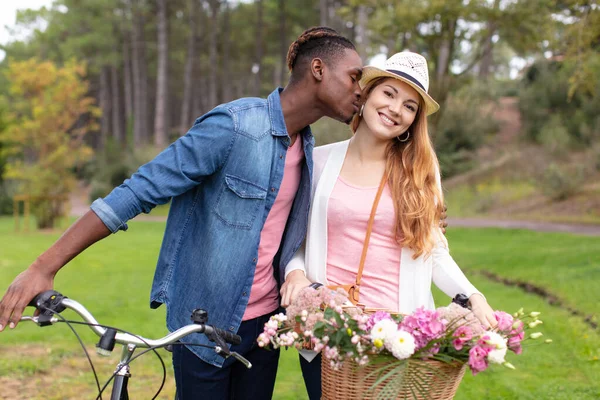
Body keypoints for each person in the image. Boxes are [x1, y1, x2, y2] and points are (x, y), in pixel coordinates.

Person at [0, 27, 363, 400]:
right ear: (318, 69)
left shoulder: (307, 147)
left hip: (266, 328)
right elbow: (139, 190)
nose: (360, 91)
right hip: (204, 328)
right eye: (354, 77)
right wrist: (44, 266)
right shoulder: (234, 127)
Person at [279, 51, 497, 400]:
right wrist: (295, 274)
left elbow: (433, 251)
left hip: (398, 335)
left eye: (410, 106)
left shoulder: (421, 174)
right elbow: (294, 240)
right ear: (365, 95)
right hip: (330, 330)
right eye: (389, 94)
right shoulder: (317, 161)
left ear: (414, 120)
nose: (396, 109)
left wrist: (473, 295)